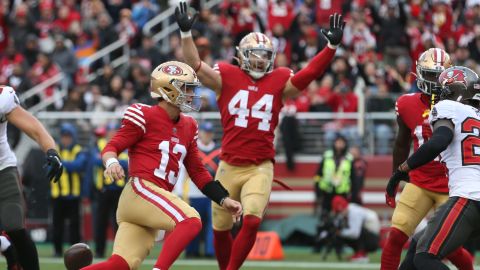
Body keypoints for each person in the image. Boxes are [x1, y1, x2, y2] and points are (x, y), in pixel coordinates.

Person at [175, 2, 345, 269]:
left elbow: (310, 73)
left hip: (260, 166)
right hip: (229, 164)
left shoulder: (279, 81)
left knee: (252, 219)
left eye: (265, 56)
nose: (260, 60)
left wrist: (330, 49)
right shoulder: (226, 77)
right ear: (242, 55)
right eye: (254, 55)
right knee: (220, 229)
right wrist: (186, 33)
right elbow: (194, 64)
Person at [83, 61, 242, 270]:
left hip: (151, 202)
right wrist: (111, 162)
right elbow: (112, 146)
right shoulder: (144, 115)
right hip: (141, 191)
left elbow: (197, 171)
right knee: (191, 220)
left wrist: (223, 198)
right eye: (186, 88)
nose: (192, 94)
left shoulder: (189, 125)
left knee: (120, 265)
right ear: (168, 89)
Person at [381, 48, 473, 270]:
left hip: (452, 186)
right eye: (430, 74)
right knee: (395, 237)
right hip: (420, 181)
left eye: (438, 75)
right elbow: (401, 143)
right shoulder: (406, 103)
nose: (433, 81)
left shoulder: (460, 105)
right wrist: (397, 174)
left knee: (447, 247)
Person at [0, 85, 63, 270]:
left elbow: (34, 128)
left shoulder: (3, 97)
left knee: (15, 228)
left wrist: (51, 151)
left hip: (3, 170)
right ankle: (7, 249)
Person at [175, 121, 220, 258]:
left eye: (209, 132)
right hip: (192, 193)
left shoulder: (219, 151)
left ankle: (210, 251)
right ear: (200, 133)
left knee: (213, 225)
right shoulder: (192, 148)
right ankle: (191, 251)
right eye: (205, 132)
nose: (207, 135)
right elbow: (182, 171)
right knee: (191, 224)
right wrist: (180, 193)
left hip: (212, 193)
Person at [51, 123, 88, 257]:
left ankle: (75, 252)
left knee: (74, 226)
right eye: (64, 136)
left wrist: (61, 163)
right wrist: (65, 164)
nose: (66, 139)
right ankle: (57, 251)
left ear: (73, 137)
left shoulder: (78, 150)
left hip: (73, 195)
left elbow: (78, 165)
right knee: (57, 226)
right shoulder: (55, 149)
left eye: (68, 137)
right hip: (57, 194)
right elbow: (48, 166)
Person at [92, 124, 128, 258]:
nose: (112, 133)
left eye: (114, 131)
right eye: (110, 130)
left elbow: (127, 163)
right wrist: (115, 162)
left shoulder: (122, 144)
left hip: (119, 190)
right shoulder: (100, 143)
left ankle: (119, 252)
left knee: (118, 223)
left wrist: (109, 161)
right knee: (100, 222)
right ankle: (99, 251)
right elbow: (95, 160)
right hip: (104, 190)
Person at [331, 195, 380, 263]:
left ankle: (361, 255)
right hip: (369, 234)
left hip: (372, 238)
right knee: (346, 233)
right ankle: (359, 253)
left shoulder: (354, 212)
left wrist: (340, 232)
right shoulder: (347, 210)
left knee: (353, 232)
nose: (340, 214)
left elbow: (355, 233)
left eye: (339, 212)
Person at [314, 134, 354, 213]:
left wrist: (353, 192)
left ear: (345, 144)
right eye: (338, 142)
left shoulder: (349, 158)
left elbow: (353, 177)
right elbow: (318, 174)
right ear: (334, 143)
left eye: (342, 143)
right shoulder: (327, 155)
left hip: (342, 192)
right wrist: (317, 187)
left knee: (340, 216)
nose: (339, 145)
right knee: (325, 215)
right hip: (327, 191)